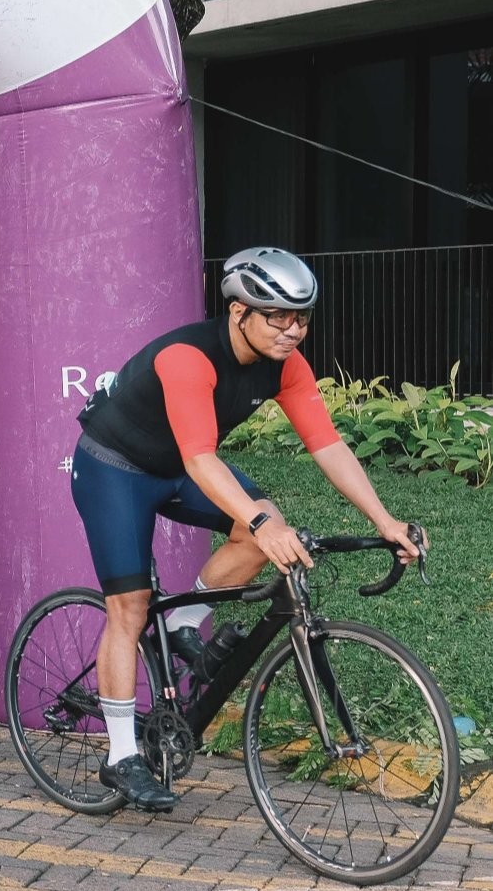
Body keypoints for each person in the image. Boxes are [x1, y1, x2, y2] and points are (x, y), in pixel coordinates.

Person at [69, 247, 419, 812]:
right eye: (278, 316)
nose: (293, 330)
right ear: (238, 312)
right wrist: (258, 520)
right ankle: (121, 755)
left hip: (179, 466)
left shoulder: (287, 365)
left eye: (302, 317)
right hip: (116, 467)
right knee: (130, 607)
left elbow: (326, 444)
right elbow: (203, 458)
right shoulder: (190, 357)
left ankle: (184, 622)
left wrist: (386, 522)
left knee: (268, 528)